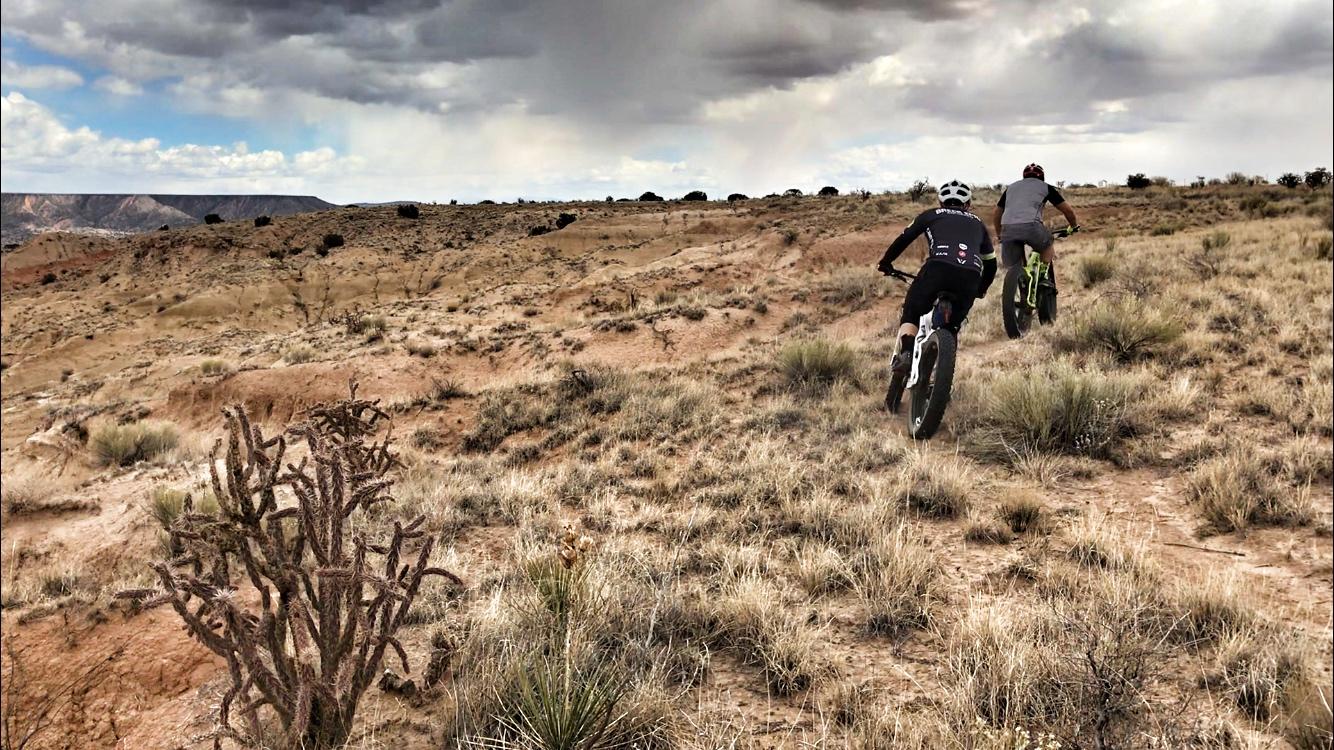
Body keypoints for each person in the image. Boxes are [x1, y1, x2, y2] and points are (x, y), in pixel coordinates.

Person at [877, 180, 996, 374]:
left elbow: (904, 238)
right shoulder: (978, 223)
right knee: (953, 326)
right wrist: (981, 290)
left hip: (938, 268)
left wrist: (886, 262)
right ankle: (943, 378)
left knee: (913, 311)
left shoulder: (931, 215)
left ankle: (906, 354)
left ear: (941, 202)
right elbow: (991, 264)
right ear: (967, 204)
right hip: (971, 274)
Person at [991, 163, 1079, 288]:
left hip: (1007, 228)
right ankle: (1043, 278)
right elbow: (1067, 211)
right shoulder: (1045, 187)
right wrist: (1074, 226)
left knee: (1014, 266)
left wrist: (999, 234)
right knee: (1047, 246)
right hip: (1031, 226)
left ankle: (1020, 290)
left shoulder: (1011, 188)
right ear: (1042, 177)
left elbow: (997, 213)